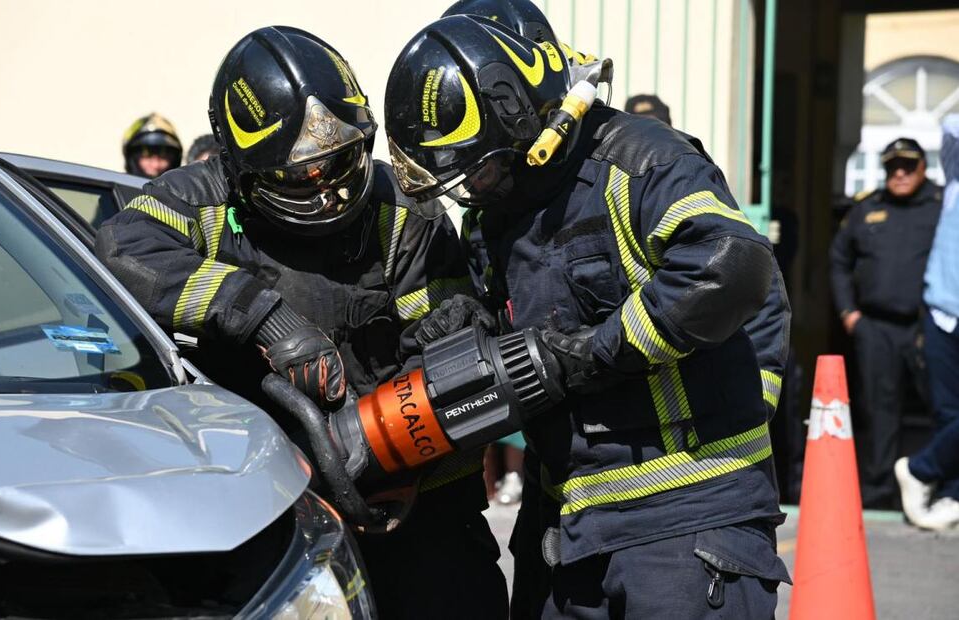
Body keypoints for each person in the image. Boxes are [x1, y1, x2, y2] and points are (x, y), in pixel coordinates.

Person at [384, 15, 791, 618]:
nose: (470, 188)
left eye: (479, 167)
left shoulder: (642, 161)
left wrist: (593, 353)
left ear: (521, 119)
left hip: (684, 524)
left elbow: (731, 268)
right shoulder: (497, 213)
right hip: (565, 529)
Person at [95, 26, 506, 619]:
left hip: (419, 518)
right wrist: (261, 315)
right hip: (265, 512)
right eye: (300, 177)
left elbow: (453, 353)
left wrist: (400, 463)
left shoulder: (405, 213)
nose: (329, 193)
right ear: (242, 168)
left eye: (338, 164)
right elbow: (121, 253)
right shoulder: (200, 202)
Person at [830, 137, 942, 508]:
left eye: (908, 166)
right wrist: (850, 314)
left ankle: (939, 485)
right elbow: (839, 261)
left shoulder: (942, 206)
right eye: (893, 166)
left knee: (940, 407)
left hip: (927, 326)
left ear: (923, 168)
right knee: (880, 410)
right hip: (875, 327)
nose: (900, 173)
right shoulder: (867, 209)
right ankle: (879, 493)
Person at [895, 116, 959, 530]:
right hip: (944, 312)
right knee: (949, 413)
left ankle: (920, 470)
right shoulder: (955, 174)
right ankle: (952, 492)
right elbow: (952, 124)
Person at [121, 113, 183, 178]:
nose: (155, 165)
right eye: (146, 154)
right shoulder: (113, 186)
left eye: (164, 155)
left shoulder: (185, 187)